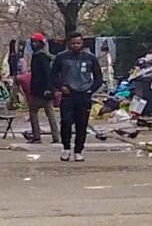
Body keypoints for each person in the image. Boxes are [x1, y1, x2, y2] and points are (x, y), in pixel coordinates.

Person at [52, 33, 102, 161]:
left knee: (82, 124)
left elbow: (98, 78)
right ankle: (66, 148)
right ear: (69, 43)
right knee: (66, 122)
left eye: (78, 43)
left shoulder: (90, 58)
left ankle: (78, 150)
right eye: (73, 43)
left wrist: (90, 90)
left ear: (82, 43)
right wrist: (61, 87)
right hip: (68, 95)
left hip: (84, 95)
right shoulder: (61, 57)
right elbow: (52, 75)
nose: (76, 45)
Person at [25, 34, 56, 144]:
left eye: (35, 42)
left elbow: (47, 74)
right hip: (43, 89)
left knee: (34, 112)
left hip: (41, 90)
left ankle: (37, 136)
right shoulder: (44, 56)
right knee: (49, 113)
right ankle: (55, 137)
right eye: (33, 41)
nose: (33, 44)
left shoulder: (40, 57)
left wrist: (47, 88)